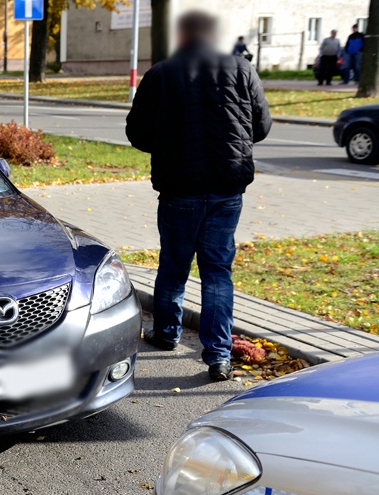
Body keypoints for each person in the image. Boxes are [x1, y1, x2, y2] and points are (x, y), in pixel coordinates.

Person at [125, 10, 272, 381]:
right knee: (217, 273)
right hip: (227, 187)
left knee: (173, 267)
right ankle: (219, 355)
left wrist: (169, 143)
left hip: (179, 188)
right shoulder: (243, 69)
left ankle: (167, 333)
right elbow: (261, 126)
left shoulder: (161, 74)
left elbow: (137, 133)